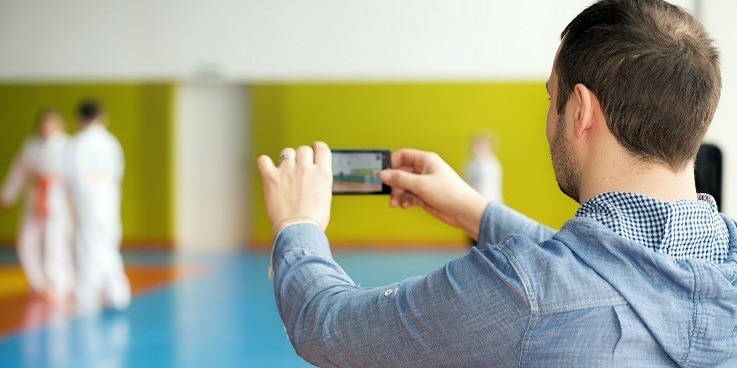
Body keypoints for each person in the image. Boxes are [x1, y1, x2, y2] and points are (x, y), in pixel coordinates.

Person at [257, 0, 736, 366]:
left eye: (552, 99)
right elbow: (615, 272)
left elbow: (329, 328)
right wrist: (474, 210)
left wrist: (298, 224)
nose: (549, 120)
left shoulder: (524, 294)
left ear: (582, 112)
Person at [0, 109, 74, 301]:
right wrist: (7, 196)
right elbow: (19, 172)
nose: (46, 127)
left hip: (58, 200)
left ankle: (60, 283)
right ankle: (37, 282)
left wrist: (77, 202)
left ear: (59, 125)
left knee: (55, 244)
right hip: (34, 199)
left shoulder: (68, 146)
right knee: (26, 241)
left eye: (50, 123)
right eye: (43, 123)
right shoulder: (30, 146)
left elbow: (75, 177)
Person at [66, 98, 130, 312]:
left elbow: (74, 177)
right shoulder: (111, 142)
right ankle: (117, 294)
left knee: (87, 248)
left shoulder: (78, 143)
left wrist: (73, 202)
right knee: (108, 244)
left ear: (79, 119)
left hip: (88, 202)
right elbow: (117, 173)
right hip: (108, 200)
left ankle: (87, 299)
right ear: (102, 118)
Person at [464, 132, 503, 204]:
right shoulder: (471, 163)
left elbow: (481, 183)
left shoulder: (491, 163)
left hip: (487, 200)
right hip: (476, 200)